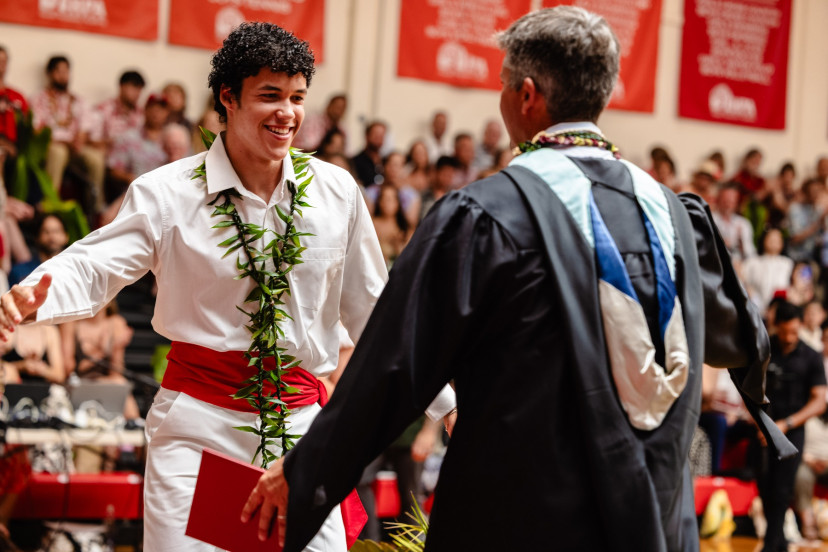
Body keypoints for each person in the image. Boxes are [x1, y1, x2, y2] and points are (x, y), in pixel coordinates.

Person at [243, 7, 792, 551]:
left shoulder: (485, 215)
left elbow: (392, 370)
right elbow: (742, 341)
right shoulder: (672, 215)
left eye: (504, 85)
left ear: (527, 96)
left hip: (520, 520)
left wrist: (305, 471)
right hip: (654, 520)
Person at [0, 23, 456, 551]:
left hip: (300, 430)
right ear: (228, 98)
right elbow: (93, 264)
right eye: (269, 96)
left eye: (297, 97)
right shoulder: (168, 193)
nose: (287, 112)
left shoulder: (336, 192)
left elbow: (380, 311)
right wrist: (31, 296)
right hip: (197, 429)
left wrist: (446, 403)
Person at [752, 301, 826, 552]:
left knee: (782, 490)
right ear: (776, 326)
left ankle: (770, 545)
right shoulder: (764, 348)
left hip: (792, 430)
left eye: (794, 331)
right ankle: (779, 543)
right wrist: (760, 422)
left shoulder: (811, 356)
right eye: (784, 331)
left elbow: (819, 401)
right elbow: (749, 388)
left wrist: (787, 424)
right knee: (764, 486)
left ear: (801, 326)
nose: (789, 337)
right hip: (763, 429)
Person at [30, 55, 105, 212]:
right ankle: (51, 203)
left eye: (66, 71)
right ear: (49, 74)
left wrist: (79, 140)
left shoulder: (77, 100)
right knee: (58, 153)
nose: (63, 75)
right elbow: (37, 130)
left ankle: (95, 208)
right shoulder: (39, 99)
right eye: (59, 71)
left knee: (96, 159)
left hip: (75, 147)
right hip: (52, 146)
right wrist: (65, 142)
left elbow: (86, 125)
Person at [93, 70, 145, 152]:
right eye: (134, 87)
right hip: (109, 154)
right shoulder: (103, 109)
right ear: (122, 86)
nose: (137, 93)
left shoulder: (142, 114)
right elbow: (93, 141)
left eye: (140, 89)